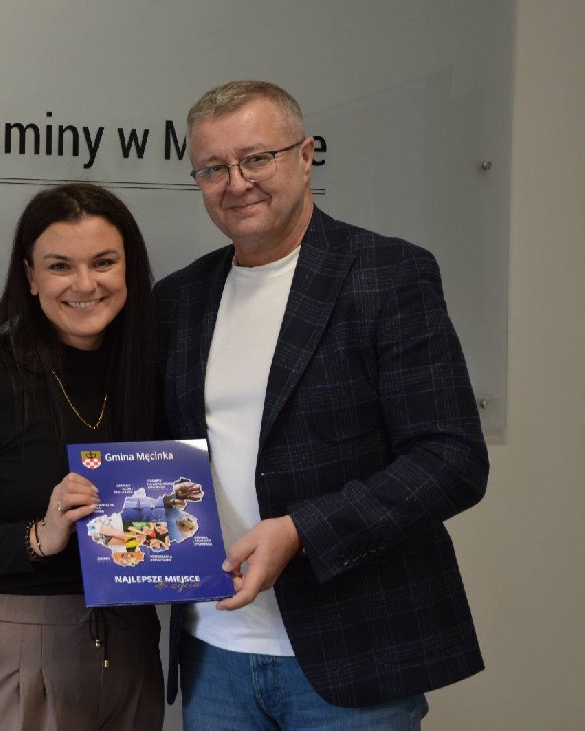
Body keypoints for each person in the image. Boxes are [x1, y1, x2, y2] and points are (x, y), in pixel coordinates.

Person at [154, 80, 489, 729]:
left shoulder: (388, 275)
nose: (236, 183)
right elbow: (161, 458)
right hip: (214, 654)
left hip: (354, 656)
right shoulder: (178, 299)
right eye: (213, 168)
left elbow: (451, 460)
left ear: (305, 156)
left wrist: (302, 531)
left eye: (256, 158)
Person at [0, 183, 164, 730]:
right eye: (60, 266)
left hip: (131, 645)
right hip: (16, 646)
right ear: (31, 276)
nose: (85, 284)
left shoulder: (148, 376)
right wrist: (37, 537)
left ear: (129, 269)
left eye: (104, 262)